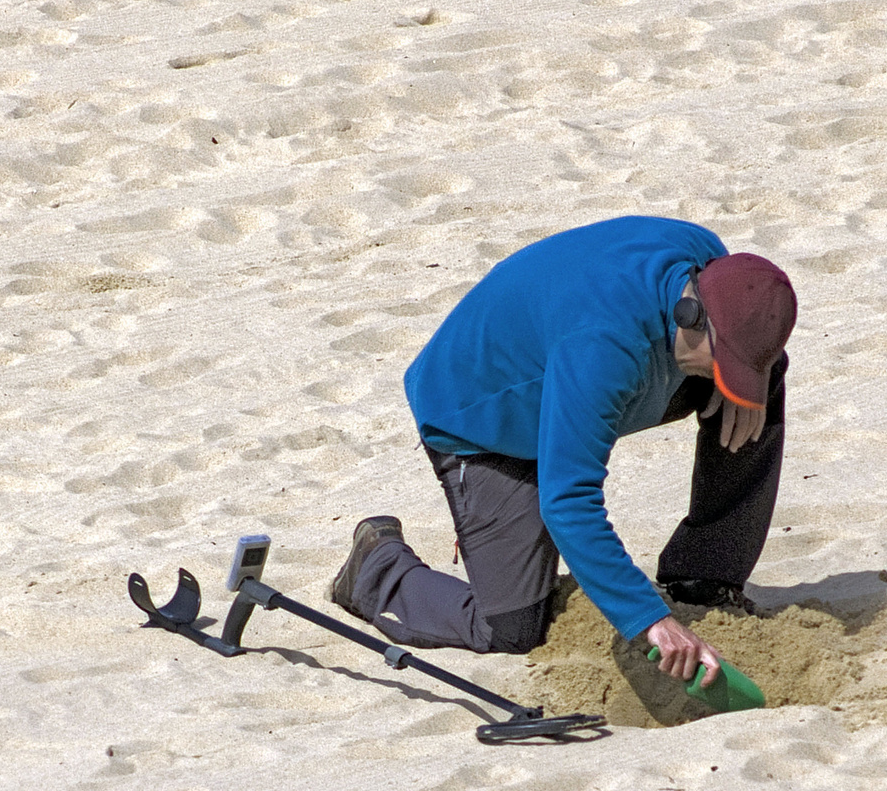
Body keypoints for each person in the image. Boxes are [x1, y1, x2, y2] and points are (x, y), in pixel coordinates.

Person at [327, 215, 795, 689]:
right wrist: (650, 619)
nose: (728, 373)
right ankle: (377, 567)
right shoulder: (603, 348)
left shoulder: (709, 261)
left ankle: (705, 577)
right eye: (724, 360)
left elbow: (747, 332)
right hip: (480, 421)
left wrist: (742, 382)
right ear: (689, 313)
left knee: (764, 376)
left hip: (565, 369)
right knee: (511, 627)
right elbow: (569, 501)